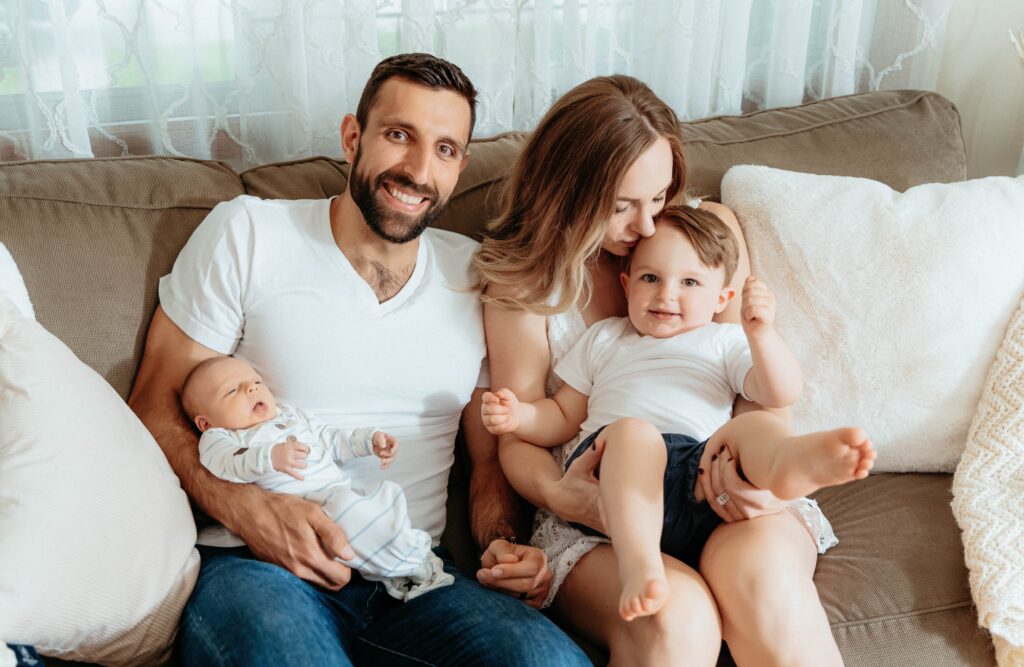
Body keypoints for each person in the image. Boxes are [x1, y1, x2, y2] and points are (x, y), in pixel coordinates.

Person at [128, 53, 589, 666]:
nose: (420, 170)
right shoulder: (250, 234)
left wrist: (506, 546)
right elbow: (151, 406)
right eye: (400, 136)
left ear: (461, 166)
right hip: (261, 568)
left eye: (445, 149)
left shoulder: (479, 275)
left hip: (416, 575)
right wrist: (251, 511)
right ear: (353, 137)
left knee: (547, 661)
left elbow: (488, 460)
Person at [474, 75, 844, 666]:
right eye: (622, 205)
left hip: (714, 475)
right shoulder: (522, 286)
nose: (648, 226)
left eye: (660, 196)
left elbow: (760, 395)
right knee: (674, 616)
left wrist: (756, 482)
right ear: (567, 190)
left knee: (765, 582)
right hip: (600, 509)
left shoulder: (706, 232)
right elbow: (519, 432)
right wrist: (561, 495)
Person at [480, 205, 875, 622]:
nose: (666, 294)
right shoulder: (605, 339)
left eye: (689, 282)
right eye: (650, 278)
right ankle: (641, 565)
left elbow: (780, 391)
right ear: (626, 283)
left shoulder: (724, 341)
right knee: (634, 433)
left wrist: (761, 334)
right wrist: (520, 417)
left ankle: (797, 465)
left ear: (722, 298)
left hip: (698, 474)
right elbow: (562, 415)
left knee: (754, 427)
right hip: (612, 479)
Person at [182, 355, 455, 601]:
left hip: (334, 493)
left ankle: (406, 559)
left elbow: (332, 439)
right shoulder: (220, 438)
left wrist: (368, 440)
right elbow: (222, 464)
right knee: (353, 515)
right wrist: (269, 457)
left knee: (366, 511)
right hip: (300, 517)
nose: (251, 388)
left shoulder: (291, 415)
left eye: (256, 381)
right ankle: (412, 563)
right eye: (232, 390)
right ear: (205, 423)